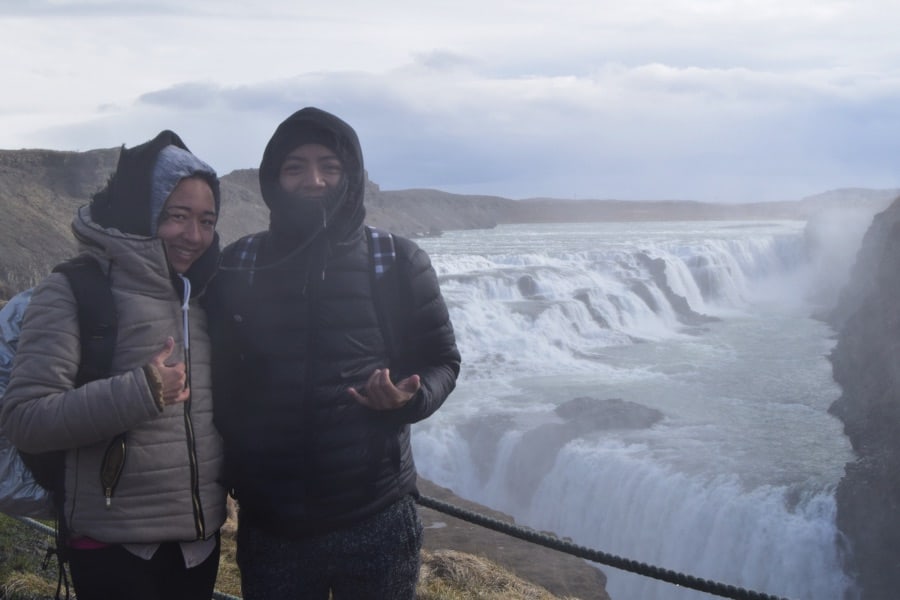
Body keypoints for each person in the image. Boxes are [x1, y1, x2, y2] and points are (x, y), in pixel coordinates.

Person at [205, 106, 461, 599]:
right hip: (271, 522)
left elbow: (443, 361)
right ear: (273, 178)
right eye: (295, 166)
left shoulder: (398, 262)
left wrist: (409, 400)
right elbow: (219, 375)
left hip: (376, 518)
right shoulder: (240, 263)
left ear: (352, 175)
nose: (313, 180)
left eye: (329, 165)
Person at [0, 131, 227, 600]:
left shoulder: (205, 297)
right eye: (177, 216)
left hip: (198, 548)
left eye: (207, 220)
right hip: (111, 550)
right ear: (141, 212)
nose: (195, 236)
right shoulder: (72, 291)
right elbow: (25, 419)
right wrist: (139, 392)